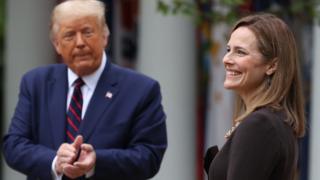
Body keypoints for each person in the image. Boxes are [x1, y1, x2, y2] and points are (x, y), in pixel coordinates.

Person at [2, 0, 167, 179]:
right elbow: (14, 145)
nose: (80, 42)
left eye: (88, 32)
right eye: (69, 35)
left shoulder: (141, 89)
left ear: (105, 36)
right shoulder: (36, 83)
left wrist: (97, 161)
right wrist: (55, 161)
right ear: (57, 44)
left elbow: (149, 156)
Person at [206, 13, 305, 180]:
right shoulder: (273, 121)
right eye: (228, 49)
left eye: (240, 52)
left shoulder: (260, 125)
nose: (226, 59)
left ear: (272, 65)